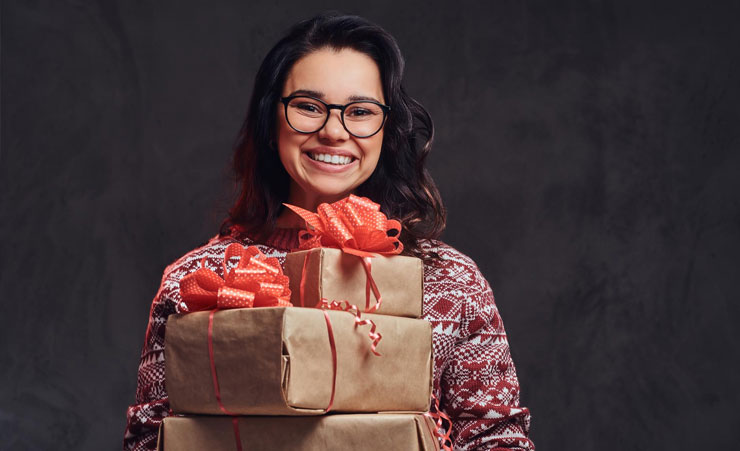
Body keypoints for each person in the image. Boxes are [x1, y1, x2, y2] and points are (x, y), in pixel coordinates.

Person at [123, 12, 533, 451]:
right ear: (270, 121)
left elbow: (497, 439)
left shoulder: (450, 280)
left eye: (360, 111)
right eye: (308, 107)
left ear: (387, 129)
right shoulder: (199, 279)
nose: (333, 131)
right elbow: (153, 439)